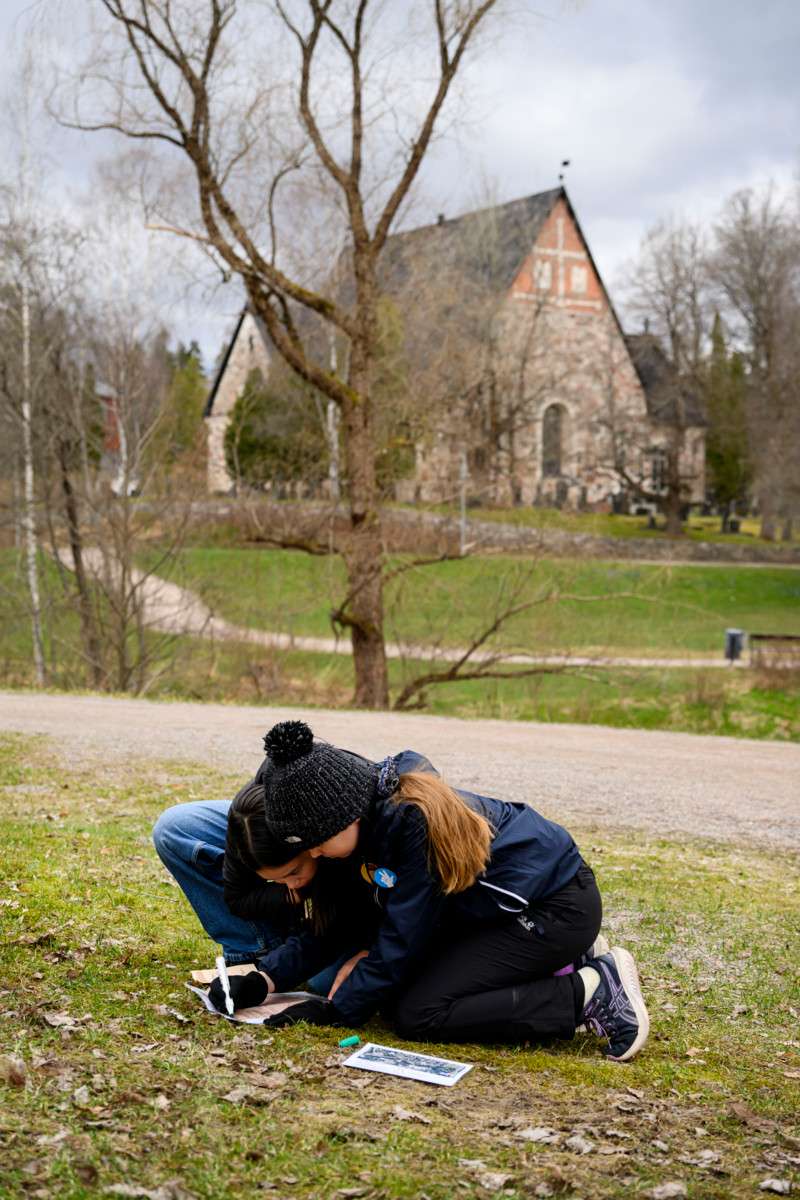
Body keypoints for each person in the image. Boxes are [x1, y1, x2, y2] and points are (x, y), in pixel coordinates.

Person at [207, 720, 650, 1062]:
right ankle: (560, 964)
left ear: (338, 817)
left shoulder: (410, 825)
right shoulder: (363, 834)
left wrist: (336, 1013)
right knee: (398, 995)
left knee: (420, 1013)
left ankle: (590, 989)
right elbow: (343, 923)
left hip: (553, 907)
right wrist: (264, 979)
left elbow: (401, 941)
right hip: (495, 916)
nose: (316, 856)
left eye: (315, 842)